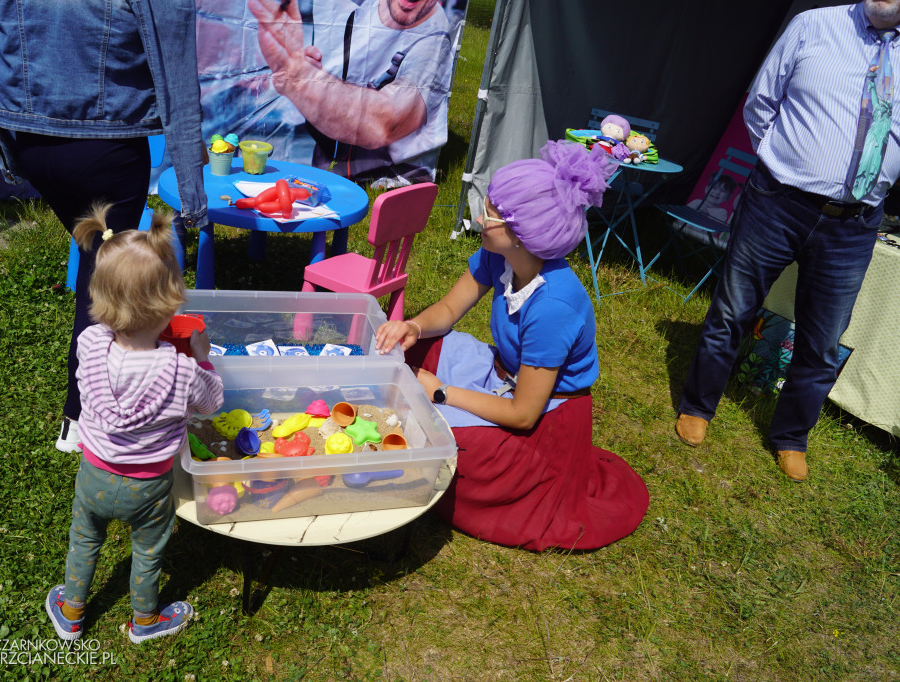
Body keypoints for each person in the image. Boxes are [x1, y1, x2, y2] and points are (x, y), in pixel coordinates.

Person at [374, 141, 649, 551]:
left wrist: (441, 393)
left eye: (492, 213)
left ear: (523, 233)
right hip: (501, 374)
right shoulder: (501, 257)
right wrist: (413, 325)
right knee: (404, 350)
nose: (481, 218)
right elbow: (449, 309)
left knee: (452, 448)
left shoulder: (554, 305)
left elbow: (523, 414)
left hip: (544, 415)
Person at [675, 0, 900, 482]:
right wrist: (783, 167)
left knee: (821, 341)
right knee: (734, 310)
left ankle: (791, 436)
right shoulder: (814, 24)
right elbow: (761, 101)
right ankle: (698, 405)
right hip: (779, 202)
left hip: (855, 223)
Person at [0, 0, 210, 452]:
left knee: (94, 262)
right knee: (106, 279)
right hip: (106, 144)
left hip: (27, 131)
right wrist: (192, 190)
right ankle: (86, 419)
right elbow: (175, 58)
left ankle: (89, 406)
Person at [45, 205, 224, 643]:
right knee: (148, 551)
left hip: (95, 473)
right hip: (149, 484)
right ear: (170, 304)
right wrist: (200, 355)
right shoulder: (180, 372)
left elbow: (111, 337)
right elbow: (213, 403)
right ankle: (144, 622)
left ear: (101, 299)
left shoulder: (89, 343)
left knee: (84, 539)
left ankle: (71, 613)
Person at [248, 0, 453, 183]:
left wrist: (301, 79)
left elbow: (385, 123)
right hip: (326, 164)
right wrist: (308, 69)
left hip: (381, 178)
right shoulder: (361, 9)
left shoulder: (434, 39)